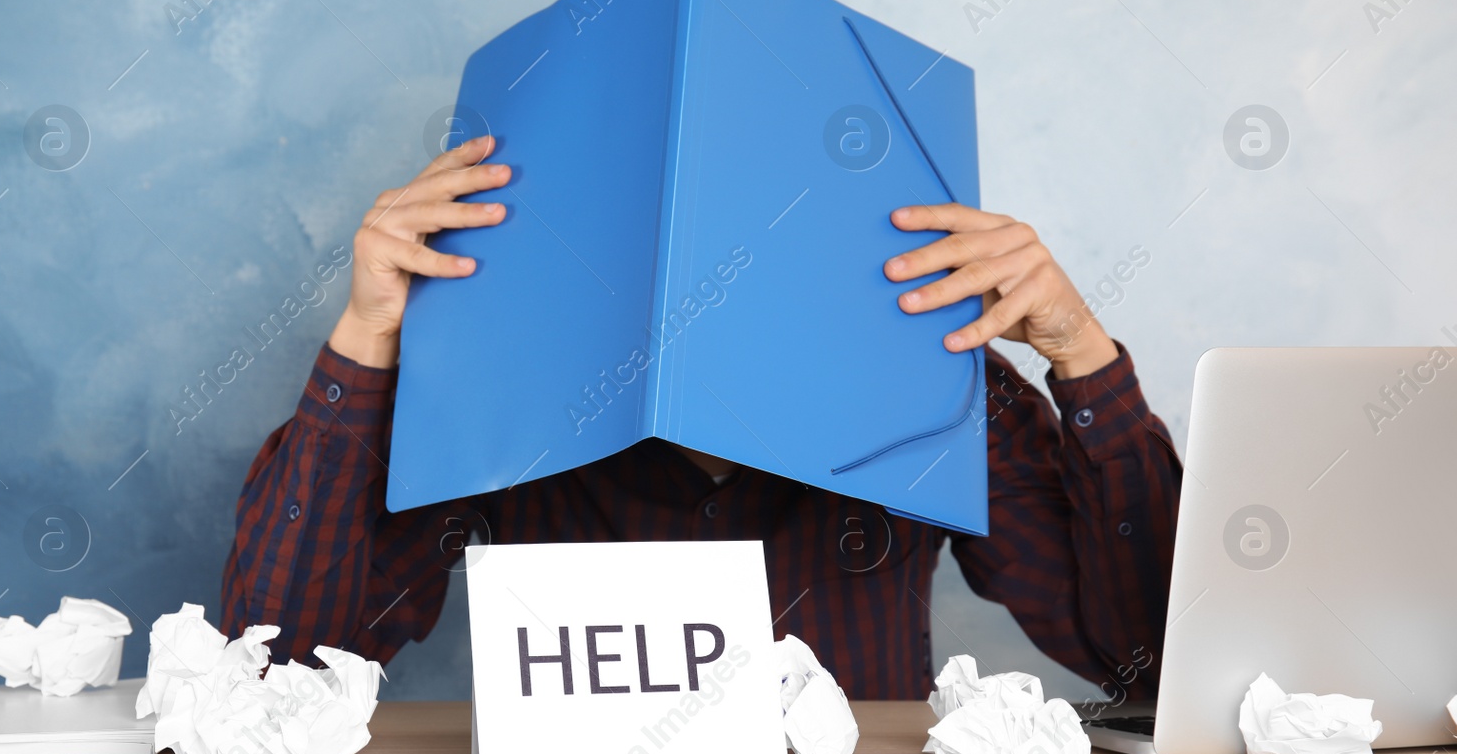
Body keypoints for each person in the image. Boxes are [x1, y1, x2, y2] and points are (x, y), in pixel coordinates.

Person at [221, 136, 1181, 700]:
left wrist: (1080, 352)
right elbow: (279, 671)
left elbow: (1144, 661)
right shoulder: (502, 388)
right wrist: (367, 341)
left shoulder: (940, 389)